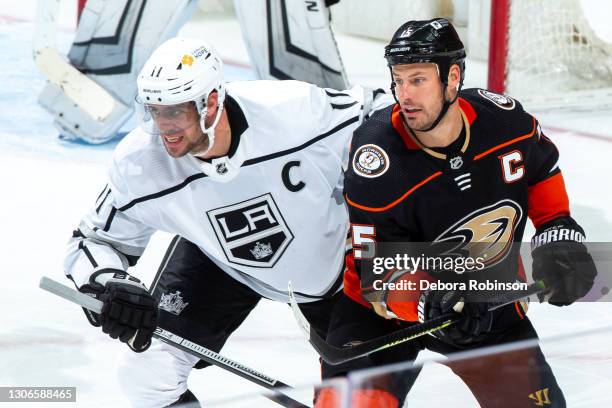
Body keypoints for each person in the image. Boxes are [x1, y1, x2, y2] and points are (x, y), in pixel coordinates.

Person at [63, 36, 391, 407]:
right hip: (219, 260)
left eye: (177, 112)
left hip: (330, 257)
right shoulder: (141, 163)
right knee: (146, 373)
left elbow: (381, 111)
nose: (165, 127)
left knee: (365, 400)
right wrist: (111, 284)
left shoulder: (293, 112)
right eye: (156, 111)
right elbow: (92, 241)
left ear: (212, 102)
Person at [316, 18, 597, 408]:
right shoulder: (376, 158)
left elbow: (541, 170)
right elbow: (373, 265)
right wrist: (425, 299)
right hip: (383, 317)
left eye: (417, 80)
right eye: (398, 80)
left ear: (452, 77)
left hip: (487, 301)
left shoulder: (506, 123)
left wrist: (558, 232)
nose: (404, 95)